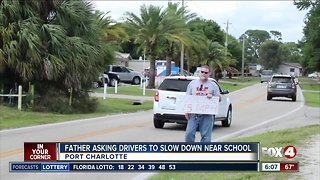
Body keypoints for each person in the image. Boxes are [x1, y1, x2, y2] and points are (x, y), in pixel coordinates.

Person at [185, 65, 221, 142]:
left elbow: (219, 98)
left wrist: (212, 96)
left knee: (206, 137)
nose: (204, 74)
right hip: (194, 113)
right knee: (189, 133)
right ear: (199, 72)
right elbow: (188, 98)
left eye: (206, 72)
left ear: (209, 73)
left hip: (207, 114)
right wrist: (186, 110)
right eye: (202, 72)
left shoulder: (213, 85)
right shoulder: (192, 84)